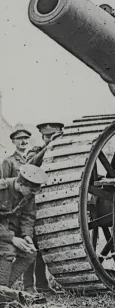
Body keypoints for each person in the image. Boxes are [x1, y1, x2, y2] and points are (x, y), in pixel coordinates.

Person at [20, 122, 64, 295]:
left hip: (50, 206)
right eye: (47, 136)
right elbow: (30, 165)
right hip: (33, 206)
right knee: (31, 247)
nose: (50, 139)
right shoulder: (36, 150)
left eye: (54, 136)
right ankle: (29, 287)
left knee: (44, 247)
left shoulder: (63, 152)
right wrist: (48, 147)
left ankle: (43, 285)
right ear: (42, 137)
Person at [0, 164, 49, 306]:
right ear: (20, 184)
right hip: (4, 235)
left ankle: (4, 289)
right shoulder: (2, 189)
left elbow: (28, 217)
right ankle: (3, 294)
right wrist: (12, 239)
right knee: (7, 250)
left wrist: (27, 236)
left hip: (10, 234)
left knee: (29, 254)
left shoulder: (28, 194)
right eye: (31, 190)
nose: (33, 194)